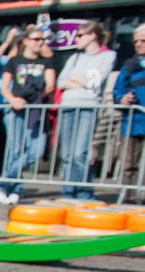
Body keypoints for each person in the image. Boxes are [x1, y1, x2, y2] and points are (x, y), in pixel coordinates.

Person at [0, 26, 56, 204]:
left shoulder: (46, 61)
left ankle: (1, 182)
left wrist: (39, 95)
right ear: (25, 41)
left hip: (36, 108)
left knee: (36, 150)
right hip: (16, 108)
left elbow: (50, 85)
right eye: (35, 39)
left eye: (42, 39)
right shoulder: (14, 61)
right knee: (14, 151)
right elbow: (4, 88)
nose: (40, 42)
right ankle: (14, 188)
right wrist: (13, 99)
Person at [56, 20, 116, 200]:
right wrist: (83, 80)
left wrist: (76, 81)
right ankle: (68, 191)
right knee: (66, 154)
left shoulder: (107, 55)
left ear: (92, 36)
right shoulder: (75, 58)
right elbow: (61, 81)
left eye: (80, 35)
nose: (77, 39)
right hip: (68, 105)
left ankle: (83, 192)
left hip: (88, 106)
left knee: (79, 153)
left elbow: (96, 83)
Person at [112, 23, 145, 203]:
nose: (139, 44)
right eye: (136, 41)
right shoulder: (128, 67)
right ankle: (127, 199)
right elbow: (117, 91)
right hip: (132, 122)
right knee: (128, 164)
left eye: (143, 41)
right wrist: (122, 99)